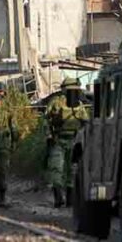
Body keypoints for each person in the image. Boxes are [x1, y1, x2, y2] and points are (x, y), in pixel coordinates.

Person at [45, 77, 89, 207]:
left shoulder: (79, 105)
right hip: (59, 140)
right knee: (57, 169)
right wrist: (48, 135)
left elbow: (85, 123)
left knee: (70, 170)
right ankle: (59, 197)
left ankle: (70, 199)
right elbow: (46, 120)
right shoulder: (56, 103)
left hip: (74, 141)